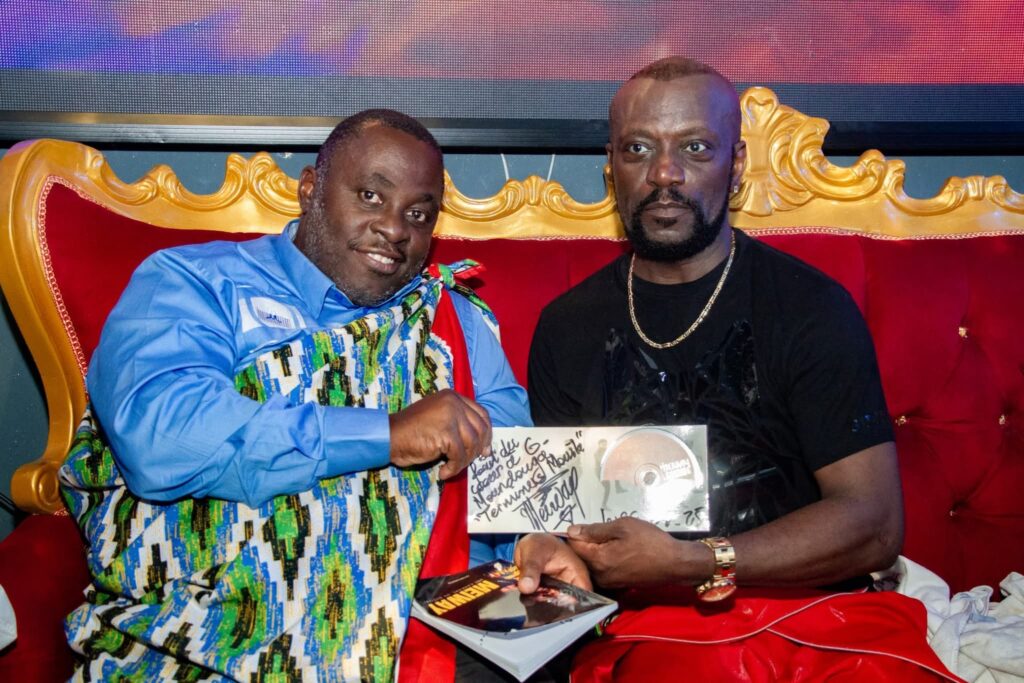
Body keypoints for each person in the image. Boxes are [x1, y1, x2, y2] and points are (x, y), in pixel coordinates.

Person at [522, 57, 959, 681]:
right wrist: (549, 545)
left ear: (736, 167)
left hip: (820, 619)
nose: (665, 173)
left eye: (695, 148)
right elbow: (566, 522)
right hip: (654, 633)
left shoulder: (809, 307)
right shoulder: (567, 326)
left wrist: (697, 562)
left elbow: (873, 524)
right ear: (611, 167)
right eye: (639, 148)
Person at [59, 110, 534, 682]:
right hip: (211, 630)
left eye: (418, 214)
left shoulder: (451, 320)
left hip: (426, 631)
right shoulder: (197, 282)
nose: (395, 229)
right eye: (370, 196)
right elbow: (163, 437)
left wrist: (534, 542)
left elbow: (514, 477)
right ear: (309, 189)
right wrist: (386, 435)